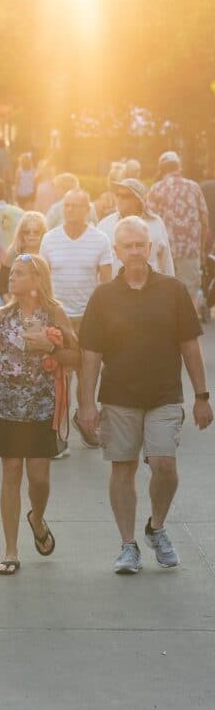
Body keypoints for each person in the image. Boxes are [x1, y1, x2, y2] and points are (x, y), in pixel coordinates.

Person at [78, 216, 213, 574]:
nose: (136, 251)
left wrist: (202, 396)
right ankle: (128, 546)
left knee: (165, 466)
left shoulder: (173, 290)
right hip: (119, 396)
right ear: (117, 251)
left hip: (164, 394)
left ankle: (156, 526)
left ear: (150, 248)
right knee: (123, 468)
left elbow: (190, 346)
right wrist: (86, 404)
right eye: (128, 246)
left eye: (141, 245)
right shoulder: (104, 295)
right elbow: (90, 354)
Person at [0, 254, 80, 575]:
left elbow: (77, 356)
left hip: (42, 408)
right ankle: (10, 550)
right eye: (12, 274)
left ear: (37, 280)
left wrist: (50, 347)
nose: (12, 279)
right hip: (5, 405)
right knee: (11, 472)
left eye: (20, 274)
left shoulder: (55, 313)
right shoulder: (1, 316)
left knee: (39, 479)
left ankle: (37, 517)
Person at [39, 188, 112, 448]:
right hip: (58, 318)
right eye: (67, 205)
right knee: (60, 376)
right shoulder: (49, 239)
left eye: (76, 206)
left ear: (87, 208)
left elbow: (106, 284)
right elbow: (42, 281)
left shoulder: (100, 240)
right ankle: (58, 432)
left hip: (88, 319)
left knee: (87, 374)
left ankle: (85, 420)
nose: (70, 210)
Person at [147, 151, 209, 312]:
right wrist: (201, 251)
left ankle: (168, 334)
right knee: (190, 294)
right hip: (190, 251)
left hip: (164, 251)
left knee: (165, 295)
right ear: (179, 167)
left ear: (161, 169)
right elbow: (204, 222)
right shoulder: (194, 187)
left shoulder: (156, 189)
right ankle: (190, 335)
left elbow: (148, 222)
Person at [96, 178, 174, 277]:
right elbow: (95, 260)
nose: (119, 199)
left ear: (138, 199)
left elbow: (166, 260)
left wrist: (171, 289)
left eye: (125, 196)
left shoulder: (156, 222)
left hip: (149, 288)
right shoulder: (105, 224)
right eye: (117, 195)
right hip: (114, 289)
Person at [0, 211, 48, 299]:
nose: (31, 235)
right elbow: (1, 285)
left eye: (36, 232)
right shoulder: (14, 251)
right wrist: (10, 305)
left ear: (43, 233)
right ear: (21, 233)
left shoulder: (48, 252)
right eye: (27, 232)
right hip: (16, 306)